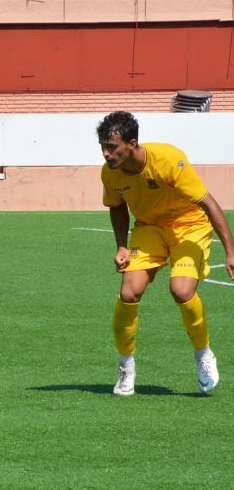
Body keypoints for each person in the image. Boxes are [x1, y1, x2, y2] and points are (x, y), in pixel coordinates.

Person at [98, 111, 234, 397]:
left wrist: (230, 252)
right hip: (149, 228)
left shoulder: (169, 159)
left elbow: (208, 203)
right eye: (103, 146)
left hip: (189, 225)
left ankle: (203, 353)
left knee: (181, 290)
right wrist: (121, 245)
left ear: (132, 144)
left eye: (112, 147)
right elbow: (117, 206)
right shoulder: (109, 172)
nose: (106, 153)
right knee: (128, 293)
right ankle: (126, 368)